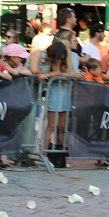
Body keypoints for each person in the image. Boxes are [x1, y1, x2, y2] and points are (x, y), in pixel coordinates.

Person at [34, 40, 74, 168]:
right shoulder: (40, 54)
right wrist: (46, 75)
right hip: (49, 91)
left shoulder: (57, 60)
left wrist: (47, 75)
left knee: (62, 126)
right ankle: (44, 154)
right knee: (50, 126)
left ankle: (59, 153)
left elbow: (58, 72)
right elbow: (34, 70)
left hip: (60, 92)